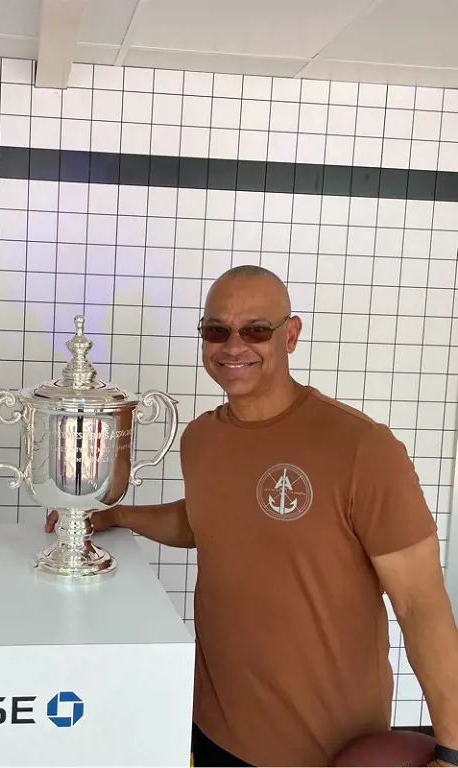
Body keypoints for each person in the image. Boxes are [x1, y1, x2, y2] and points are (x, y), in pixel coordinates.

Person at [45, 265, 458, 767]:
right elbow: (206, 523)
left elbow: (420, 604)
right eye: (216, 330)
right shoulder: (201, 439)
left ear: (291, 335)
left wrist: (452, 749)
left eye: (256, 330)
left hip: (325, 748)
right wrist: (116, 516)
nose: (233, 346)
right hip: (213, 726)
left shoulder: (361, 448)